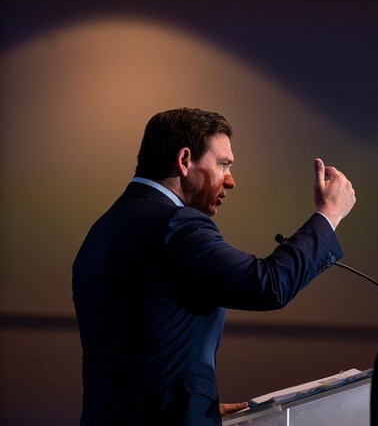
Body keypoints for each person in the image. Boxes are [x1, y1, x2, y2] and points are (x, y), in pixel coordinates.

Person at [72, 108, 356, 425]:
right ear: (184, 161)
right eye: (222, 164)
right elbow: (268, 285)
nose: (230, 180)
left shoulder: (103, 229)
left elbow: (136, 343)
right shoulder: (175, 224)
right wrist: (329, 215)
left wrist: (194, 404)